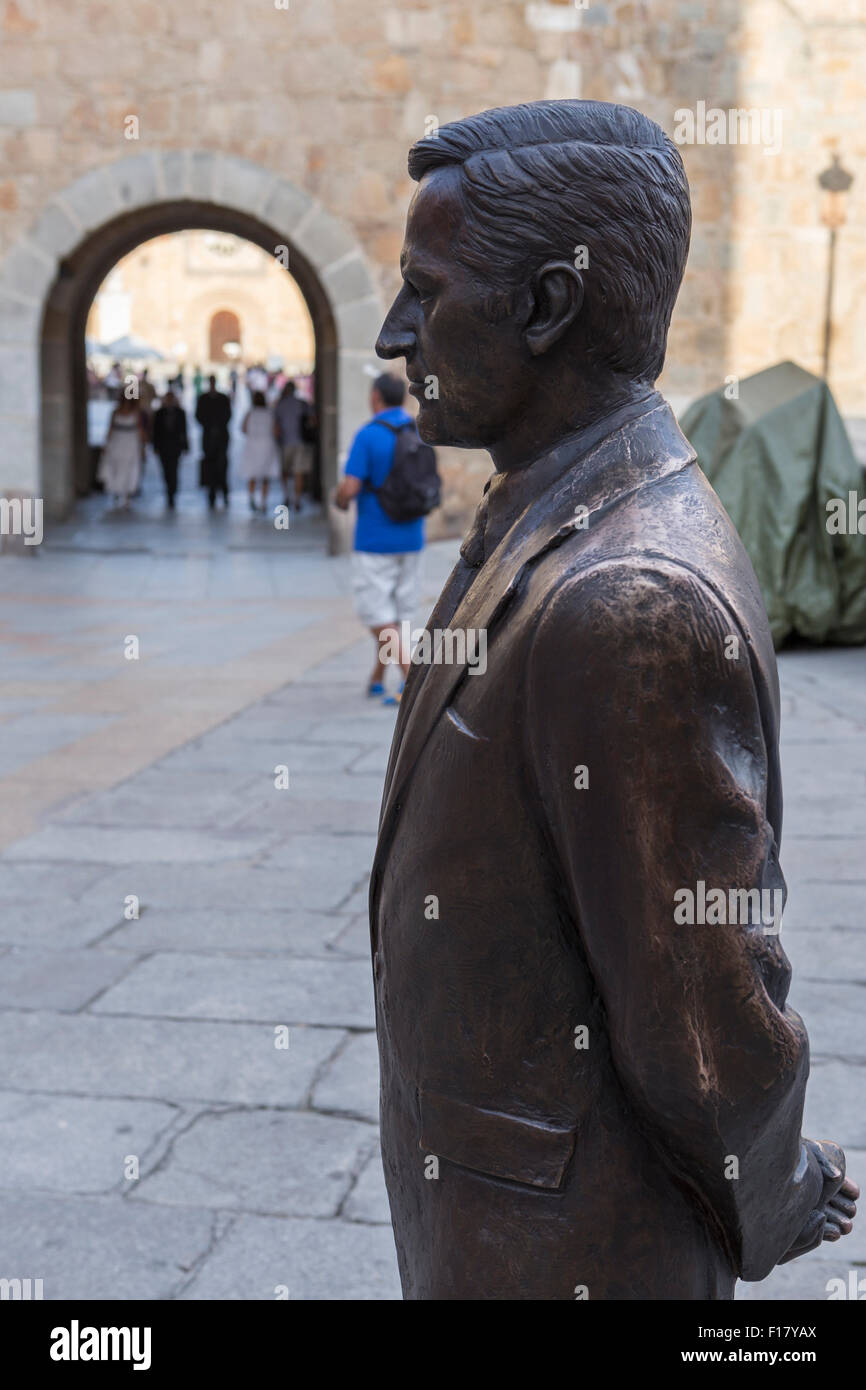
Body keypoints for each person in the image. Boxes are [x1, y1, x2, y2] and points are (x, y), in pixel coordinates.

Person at [368, 99, 859, 1301]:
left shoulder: (626, 597)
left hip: (565, 1246)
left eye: (424, 292)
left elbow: (701, 999)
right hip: (492, 1207)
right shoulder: (544, 514)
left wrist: (774, 1185)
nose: (393, 332)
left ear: (545, 305)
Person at [334, 373, 424, 704]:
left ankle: (412, 680)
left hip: (375, 539)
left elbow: (351, 488)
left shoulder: (368, 435)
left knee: (375, 613)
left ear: (376, 398)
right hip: (412, 536)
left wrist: (339, 497)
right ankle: (377, 677)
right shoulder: (418, 432)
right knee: (397, 613)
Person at [274, 380, 314, 511]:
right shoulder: (302, 404)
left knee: (284, 471)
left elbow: (276, 425)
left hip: (286, 442)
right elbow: (313, 421)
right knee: (298, 472)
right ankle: (297, 500)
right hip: (300, 442)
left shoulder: (281, 404)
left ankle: (287, 496)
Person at [96, 395, 143, 506]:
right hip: (117, 442)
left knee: (129, 467)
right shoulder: (115, 412)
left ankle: (127, 493)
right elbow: (110, 428)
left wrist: (142, 447)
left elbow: (140, 430)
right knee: (115, 465)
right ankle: (116, 490)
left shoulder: (136, 413)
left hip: (130, 443)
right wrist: (106, 444)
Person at [239, 389, 280, 512]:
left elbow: (243, 429)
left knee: (252, 474)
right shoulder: (270, 413)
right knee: (266, 476)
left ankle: (251, 498)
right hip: (267, 446)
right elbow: (276, 431)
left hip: (252, 446)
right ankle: (263, 502)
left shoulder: (250, 414)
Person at [195, 374, 231, 509]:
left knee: (222, 466)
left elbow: (228, 415)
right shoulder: (203, 399)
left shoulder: (223, 398)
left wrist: (217, 427)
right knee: (210, 466)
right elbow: (198, 416)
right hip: (208, 438)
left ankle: (224, 492)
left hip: (221, 438)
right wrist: (210, 427)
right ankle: (212, 494)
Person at [151, 389, 189, 509]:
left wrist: (186, 446)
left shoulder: (180, 413)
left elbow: (184, 430)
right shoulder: (159, 413)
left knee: (174, 470)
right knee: (166, 470)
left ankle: (173, 492)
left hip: (175, 447)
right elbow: (155, 432)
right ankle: (169, 491)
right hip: (163, 447)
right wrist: (155, 446)